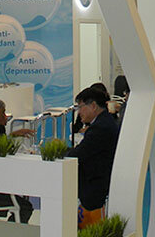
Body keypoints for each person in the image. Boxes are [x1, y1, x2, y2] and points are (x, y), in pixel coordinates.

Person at [67, 86, 119, 227]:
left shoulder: (100, 128)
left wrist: (61, 153)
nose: (79, 112)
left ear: (93, 106)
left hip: (95, 187)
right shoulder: (104, 121)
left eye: (81, 107)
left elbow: (80, 153)